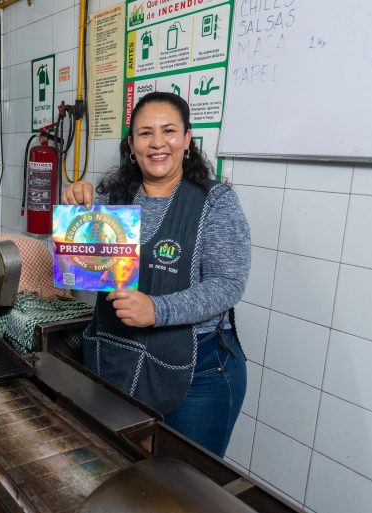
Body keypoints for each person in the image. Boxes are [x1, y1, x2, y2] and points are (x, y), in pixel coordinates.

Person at [61, 91, 250, 457]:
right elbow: (78, 264)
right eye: (145, 133)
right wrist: (75, 205)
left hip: (198, 376)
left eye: (169, 131)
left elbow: (228, 285)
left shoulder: (214, 202)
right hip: (116, 359)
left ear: (187, 139)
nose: (157, 142)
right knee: (120, 467)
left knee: (184, 482)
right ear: (132, 145)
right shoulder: (112, 199)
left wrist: (156, 310)